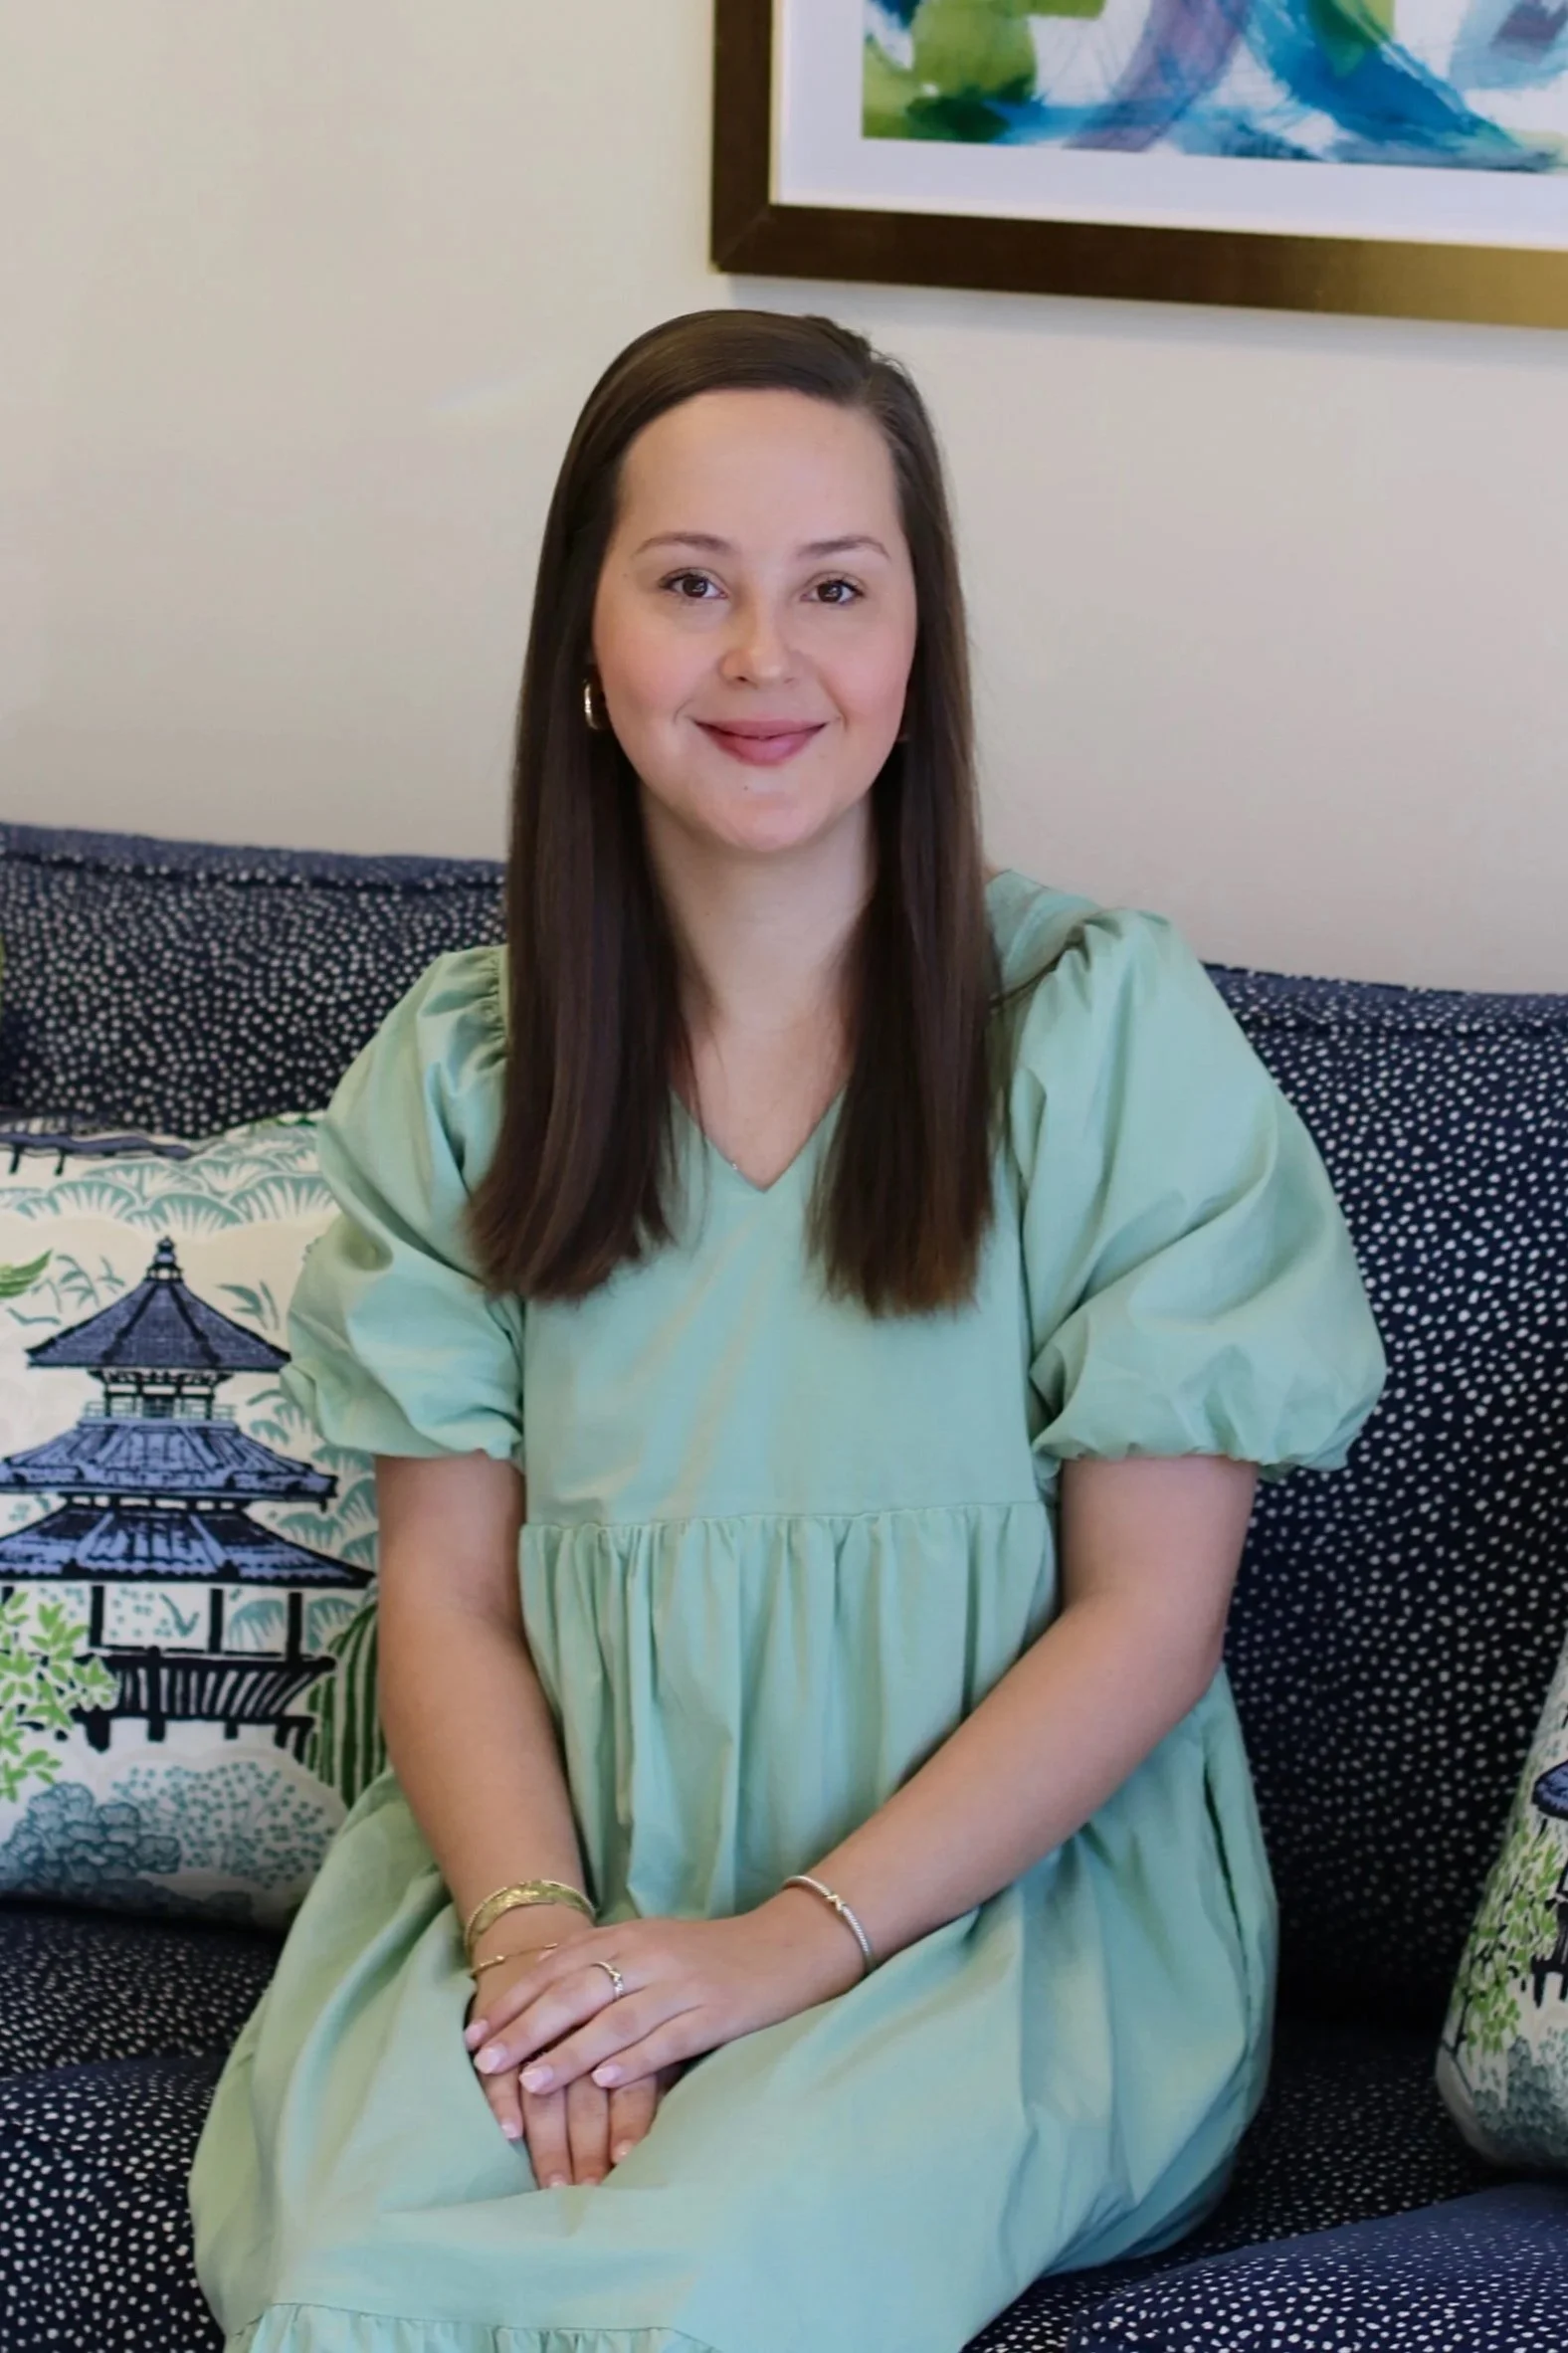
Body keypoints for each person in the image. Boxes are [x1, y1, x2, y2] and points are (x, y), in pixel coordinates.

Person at [187, 308, 1387, 2353]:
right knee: (347, 2285)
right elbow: (448, 1600)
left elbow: (1144, 1624)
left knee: (701, 2289)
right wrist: (536, 1941)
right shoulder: (464, 1072)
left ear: (919, 644)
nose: (765, 659)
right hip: (540, 1876)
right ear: (584, 640)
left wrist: (784, 1947)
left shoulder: (1095, 1033)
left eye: (835, 588)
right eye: (689, 585)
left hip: (984, 1919)